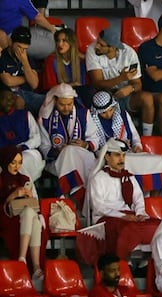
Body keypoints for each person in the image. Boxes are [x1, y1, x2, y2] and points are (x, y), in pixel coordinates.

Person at [79, 140, 160, 267]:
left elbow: (138, 198)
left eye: (123, 155)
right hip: (106, 217)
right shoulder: (98, 178)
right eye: (117, 155)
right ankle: (124, 262)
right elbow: (99, 207)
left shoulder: (129, 177)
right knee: (128, 228)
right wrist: (123, 216)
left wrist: (140, 214)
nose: (121, 159)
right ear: (107, 157)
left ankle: (147, 260)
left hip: (129, 215)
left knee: (158, 225)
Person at [85, 27, 156, 137]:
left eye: (101, 45)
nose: (97, 46)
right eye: (98, 42)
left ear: (112, 47)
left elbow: (138, 84)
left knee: (147, 98)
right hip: (105, 94)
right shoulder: (92, 50)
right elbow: (97, 83)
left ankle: (147, 137)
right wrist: (121, 78)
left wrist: (130, 88)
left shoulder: (129, 53)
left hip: (126, 93)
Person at [40, 82, 101, 195]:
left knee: (71, 151)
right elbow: (44, 148)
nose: (66, 108)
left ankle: (66, 193)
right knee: (68, 151)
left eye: (69, 104)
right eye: (62, 104)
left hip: (83, 157)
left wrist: (85, 144)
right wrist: (58, 151)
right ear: (55, 101)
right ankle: (79, 194)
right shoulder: (45, 119)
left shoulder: (83, 114)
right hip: (57, 162)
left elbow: (95, 140)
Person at [0, 146, 44, 279]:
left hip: (25, 215)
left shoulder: (24, 178)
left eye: (20, 162)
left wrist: (29, 195)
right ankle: (32, 265)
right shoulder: (1, 179)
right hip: (7, 215)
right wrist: (13, 195)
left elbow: (35, 202)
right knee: (30, 215)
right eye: (13, 162)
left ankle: (28, 262)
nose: (17, 166)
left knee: (34, 219)